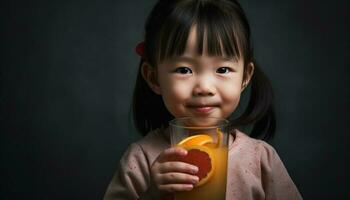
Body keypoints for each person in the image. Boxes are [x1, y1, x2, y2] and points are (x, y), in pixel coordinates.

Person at [104, 0, 302, 199]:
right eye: (184, 70)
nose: (204, 88)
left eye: (222, 69)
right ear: (154, 78)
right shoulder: (141, 159)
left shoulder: (260, 159)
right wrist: (153, 194)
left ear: (245, 77)